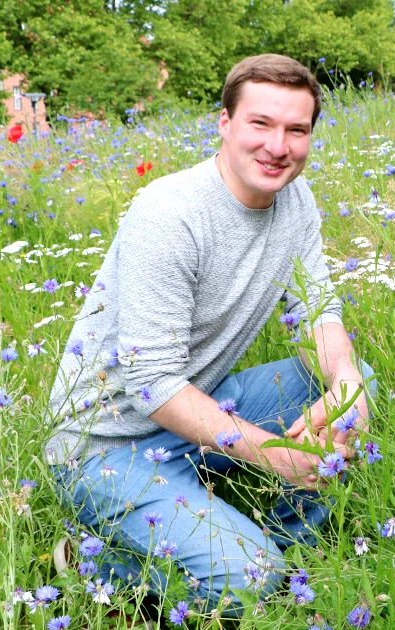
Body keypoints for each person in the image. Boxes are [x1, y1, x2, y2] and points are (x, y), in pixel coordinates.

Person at [44, 54, 372, 615]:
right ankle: (97, 559)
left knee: (354, 381)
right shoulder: (169, 213)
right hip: (104, 446)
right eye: (260, 124)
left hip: (198, 412)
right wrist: (271, 452)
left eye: (297, 130)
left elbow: (318, 311)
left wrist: (346, 385)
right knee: (249, 581)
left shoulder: (297, 202)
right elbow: (150, 384)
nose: (279, 146)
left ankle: (297, 550)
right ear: (224, 123)